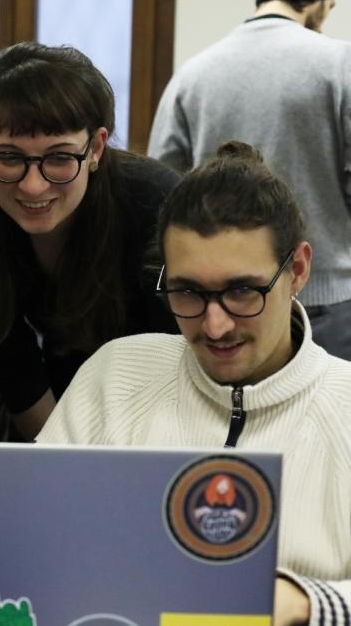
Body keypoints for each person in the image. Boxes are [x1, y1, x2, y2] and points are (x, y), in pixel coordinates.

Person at [38, 142, 351, 626]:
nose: (215, 326)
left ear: (298, 271)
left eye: (242, 291)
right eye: (187, 292)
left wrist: (303, 602)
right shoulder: (115, 377)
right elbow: (28, 531)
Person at [0, 42, 180, 434]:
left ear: (96, 148)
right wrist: (62, 458)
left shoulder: (156, 205)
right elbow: (10, 362)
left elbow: (180, 358)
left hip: (162, 403)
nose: (33, 186)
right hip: (55, 399)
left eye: (60, 158)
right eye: (10, 157)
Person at [147, 0, 351, 360]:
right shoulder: (340, 63)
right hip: (330, 301)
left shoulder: (193, 75)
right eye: (329, 6)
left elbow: (164, 190)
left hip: (222, 306)